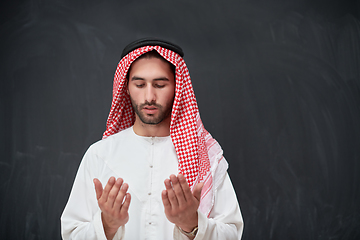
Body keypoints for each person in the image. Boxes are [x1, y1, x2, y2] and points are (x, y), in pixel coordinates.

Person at [61, 38, 244, 240]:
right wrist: (106, 225)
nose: (149, 96)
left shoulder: (204, 157)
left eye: (160, 85)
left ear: (177, 88)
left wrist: (191, 225)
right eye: (139, 84)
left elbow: (232, 234)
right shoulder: (100, 154)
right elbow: (71, 234)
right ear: (127, 88)